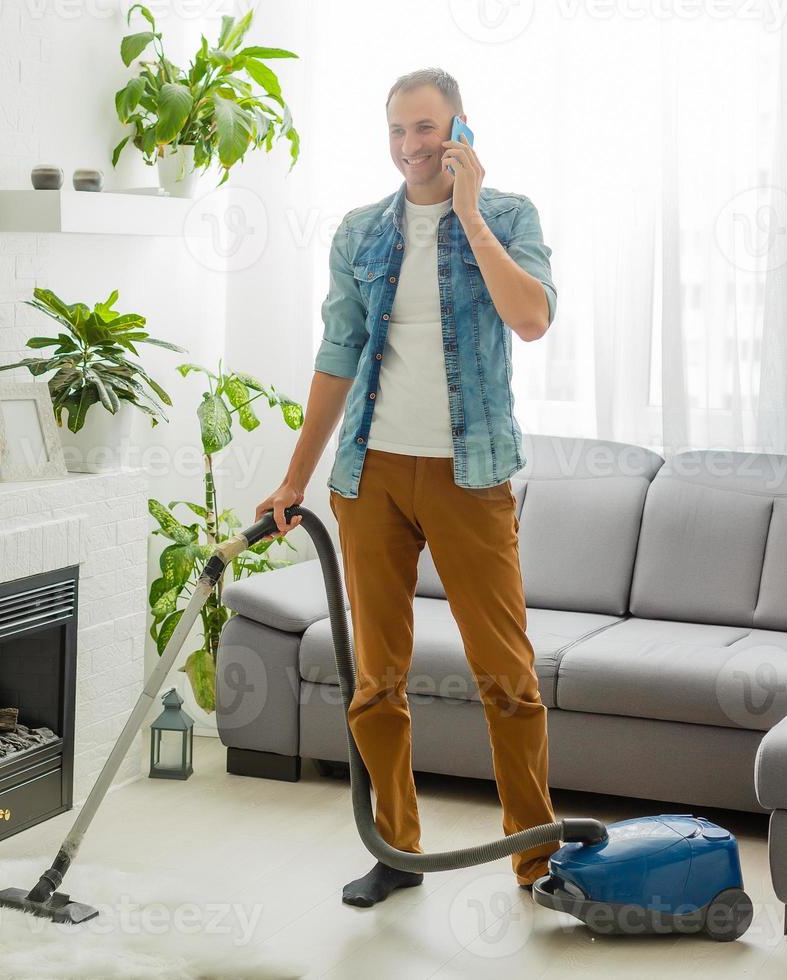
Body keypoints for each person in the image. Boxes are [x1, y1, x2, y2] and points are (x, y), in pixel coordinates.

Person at [256, 68, 561, 908]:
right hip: (373, 475)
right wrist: (294, 478)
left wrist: (467, 215)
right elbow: (336, 358)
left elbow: (531, 318)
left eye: (425, 129)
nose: (409, 148)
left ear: (461, 127)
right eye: (397, 132)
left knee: (507, 676)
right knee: (375, 678)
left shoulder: (508, 217)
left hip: (470, 477)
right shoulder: (361, 233)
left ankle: (535, 860)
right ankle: (396, 847)